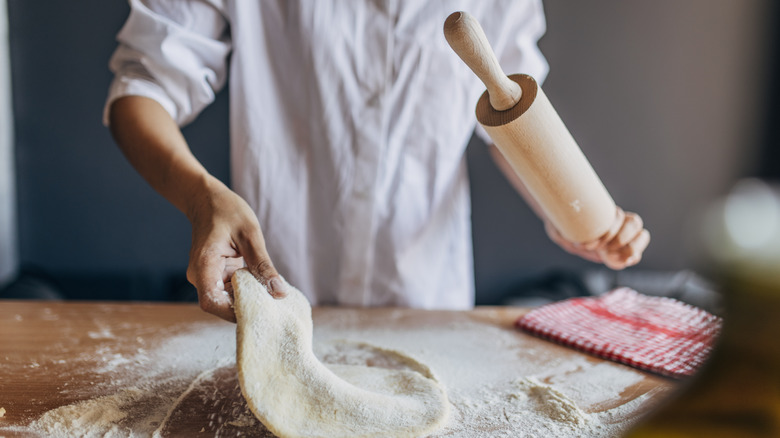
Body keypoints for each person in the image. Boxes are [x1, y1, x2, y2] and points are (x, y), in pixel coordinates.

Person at [105, 0, 649, 322]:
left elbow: (510, 114)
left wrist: (570, 211)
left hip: (427, 307)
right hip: (275, 295)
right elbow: (142, 89)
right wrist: (201, 198)